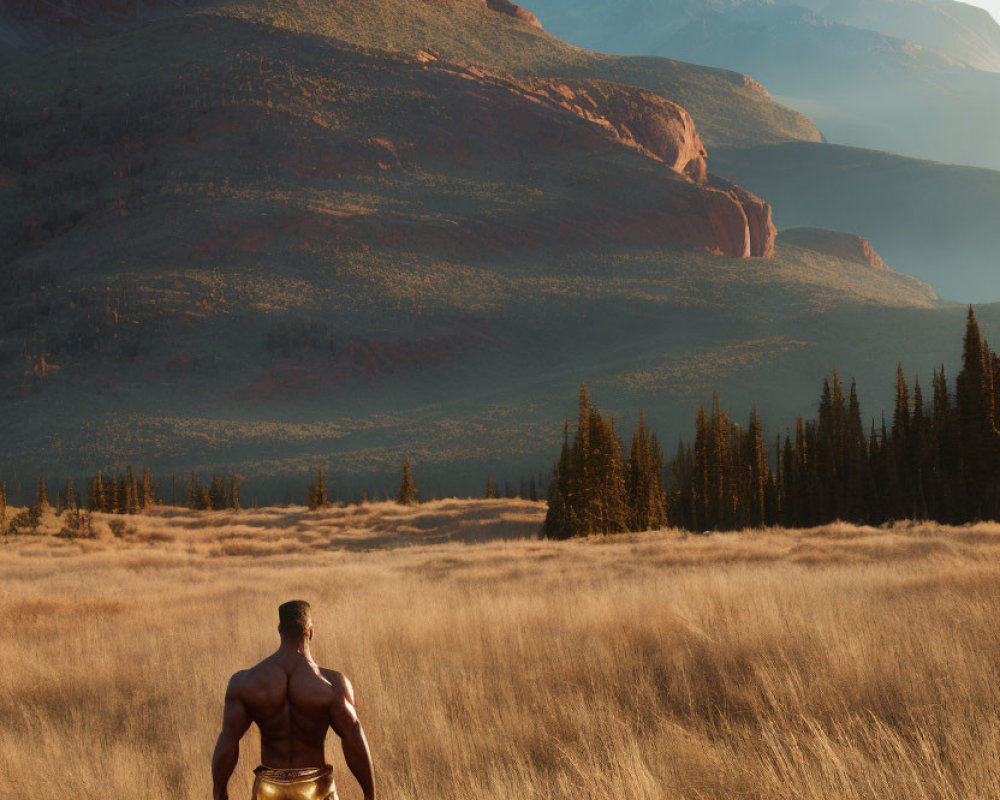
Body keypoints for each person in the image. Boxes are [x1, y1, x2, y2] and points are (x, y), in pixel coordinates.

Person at [212, 600, 376, 800]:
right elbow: (353, 736)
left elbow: (229, 738)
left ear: (280, 631)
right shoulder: (333, 685)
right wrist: (369, 794)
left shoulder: (246, 682)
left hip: (268, 791)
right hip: (317, 790)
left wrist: (219, 791)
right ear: (310, 631)